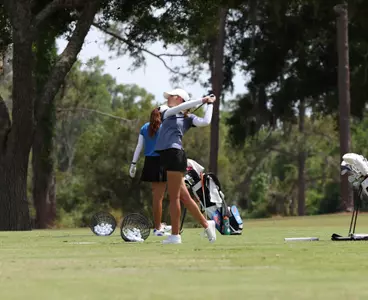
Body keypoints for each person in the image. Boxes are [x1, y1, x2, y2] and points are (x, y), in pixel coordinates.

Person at [155, 88, 217, 244]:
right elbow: (177, 109)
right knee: (185, 197)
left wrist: (210, 105)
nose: (168, 97)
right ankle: (207, 225)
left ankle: (175, 236)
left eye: (171, 96)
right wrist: (201, 101)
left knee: (174, 197)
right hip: (168, 155)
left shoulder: (188, 118)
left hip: (174, 154)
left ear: (180, 98)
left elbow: (205, 122)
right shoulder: (166, 111)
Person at [129, 106, 172, 236]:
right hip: (161, 161)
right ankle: (157, 227)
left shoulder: (144, 127)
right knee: (159, 197)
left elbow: (139, 146)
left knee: (157, 196)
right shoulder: (165, 127)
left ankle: (159, 224)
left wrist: (133, 163)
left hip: (150, 162)